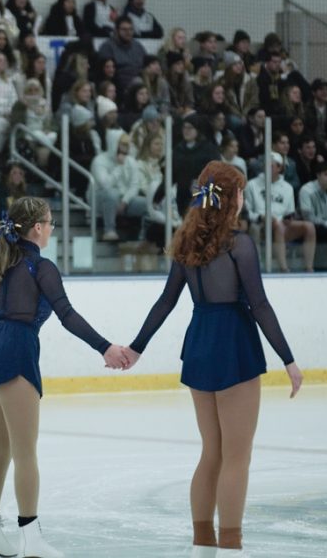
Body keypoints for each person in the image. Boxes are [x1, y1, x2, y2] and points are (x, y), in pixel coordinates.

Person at [123, 161, 303, 557]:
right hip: (234, 344)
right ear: (231, 198)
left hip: (201, 344)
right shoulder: (239, 245)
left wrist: (137, 347)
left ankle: (203, 545)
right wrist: (288, 359)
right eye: (239, 192)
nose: (242, 199)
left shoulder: (186, 242)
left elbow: (166, 302)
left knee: (212, 452)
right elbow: (259, 305)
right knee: (237, 456)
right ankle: (231, 546)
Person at [0, 196, 127, 558]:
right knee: (24, 452)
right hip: (14, 350)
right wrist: (105, 346)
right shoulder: (41, 266)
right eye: (50, 223)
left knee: (0, 449)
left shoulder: (0, 261)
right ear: (37, 228)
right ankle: (31, 540)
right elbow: (66, 314)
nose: (52, 229)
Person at [244, 152, 316, 272]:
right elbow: (248, 212)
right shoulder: (252, 185)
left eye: (271, 166)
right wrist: (261, 216)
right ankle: (284, 268)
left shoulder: (287, 187)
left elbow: (290, 212)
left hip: (281, 224)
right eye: (265, 165)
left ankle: (309, 267)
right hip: (261, 224)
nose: (266, 168)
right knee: (277, 224)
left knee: (309, 227)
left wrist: (290, 218)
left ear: (279, 168)